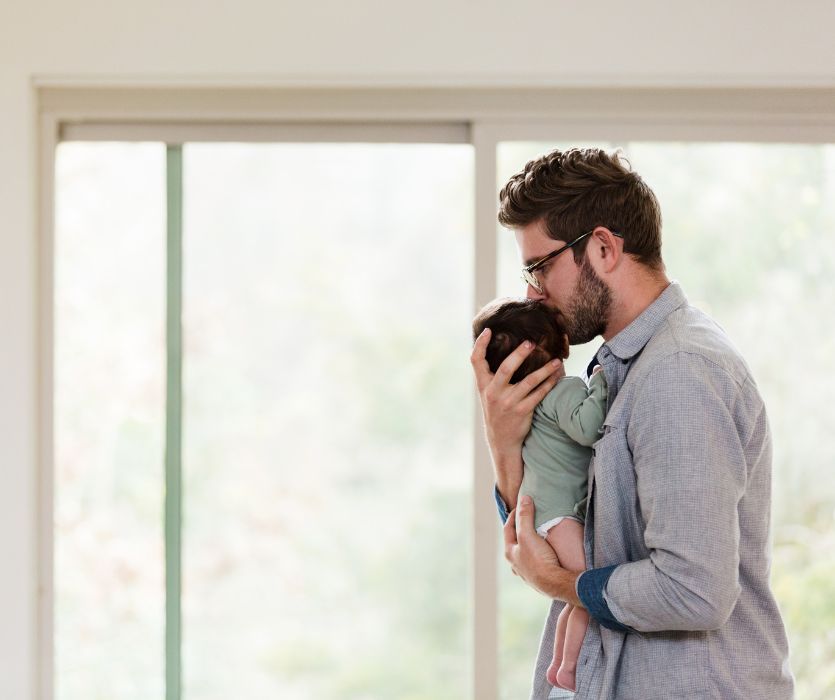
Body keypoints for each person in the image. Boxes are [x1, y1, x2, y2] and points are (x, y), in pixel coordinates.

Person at [470, 148, 795, 699]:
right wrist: (504, 442)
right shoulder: (619, 369)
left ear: (602, 247)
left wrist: (560, 583)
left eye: (539, 266)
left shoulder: (679, 372)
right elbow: (550, 521)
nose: (532, 292)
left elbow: (695, 591)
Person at [472, 298, 607, 691]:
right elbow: (587, 427)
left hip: (542, 515)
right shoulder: (564, 391)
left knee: (575, 595)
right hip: (560, 515)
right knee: (589, 590)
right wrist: (599, 382)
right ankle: (565, 667)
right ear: (561, 344)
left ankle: (561, 666)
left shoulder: (525, 410)